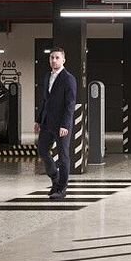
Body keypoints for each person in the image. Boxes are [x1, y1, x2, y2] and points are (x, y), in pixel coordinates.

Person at [34, 47, 77, 199]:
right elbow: (45, 100)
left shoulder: (68, 79)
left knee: (63, 156)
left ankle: (62, 189)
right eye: (52, 57)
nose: (54, 60)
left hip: (61, 125)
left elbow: (70, 104)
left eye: (57, 57)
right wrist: (39, 120)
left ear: (63, 60)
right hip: (47, 123)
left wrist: (65, 124)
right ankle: (55, 178)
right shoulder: (47, 76)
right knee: (42, 150)